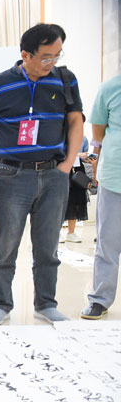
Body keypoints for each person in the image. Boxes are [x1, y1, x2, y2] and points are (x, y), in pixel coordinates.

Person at [0, 23, 83, 325]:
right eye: (47, 56)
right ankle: (1, 304)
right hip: (12, 175)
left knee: (48, 246)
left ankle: (46, 303)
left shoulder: (65, 80)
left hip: (53, 174)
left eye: (57, 55)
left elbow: (75, 122)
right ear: (26, 55)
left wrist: (67, 165)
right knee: (6, 245)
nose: (53, 62)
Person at [81, 74, 121, 320]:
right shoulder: (110, 89)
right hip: (114, 178)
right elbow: (98, 132)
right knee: (107, 243)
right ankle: (99, 299)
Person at [60, 135, 90, 243]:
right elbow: (59, 153)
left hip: (77, 170)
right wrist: (78, 154)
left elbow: (84, 156)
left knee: (76, 200)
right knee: (61, 200)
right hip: (63, 168)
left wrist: (87, 158)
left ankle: (71, 232)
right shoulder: (60, 135)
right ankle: (57, 232)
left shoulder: (83, 138)